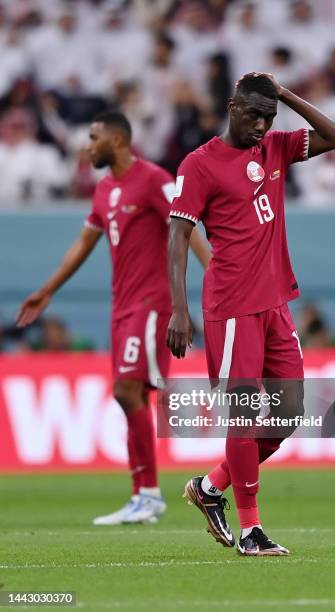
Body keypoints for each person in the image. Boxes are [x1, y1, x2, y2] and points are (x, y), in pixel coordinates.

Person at [167, 72, 335, 556]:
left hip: (275, 304)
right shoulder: (199, 164)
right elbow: (178, 237)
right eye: (253, 116)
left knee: (288, 415)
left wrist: (285, 95)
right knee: (244, 419)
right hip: (230, 309)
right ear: (231, 107)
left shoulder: (273, 148)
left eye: (269, 118)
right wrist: (179, 311)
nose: (262, 126)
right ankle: (251, 531)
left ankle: (209, 488)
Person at [17, 111, 210, 525]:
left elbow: (187, 227)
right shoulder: (105, 190)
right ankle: (143, 495)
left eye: (93, 137)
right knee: (132, 396)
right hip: (121, 307)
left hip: (152, 304)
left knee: (127, 390)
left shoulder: (155, 179)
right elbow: (84, 243)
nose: (87, 146)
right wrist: (47, 290)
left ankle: (150, 494)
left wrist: (215, 276)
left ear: (118, 141)